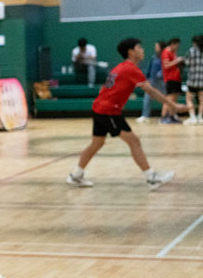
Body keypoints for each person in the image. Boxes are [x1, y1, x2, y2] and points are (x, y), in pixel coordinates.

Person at [67, 38, 187, 190]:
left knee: (97, 143)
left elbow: (103, 88)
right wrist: (172, 105)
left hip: (100, 108)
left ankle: (76, 176)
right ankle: (151, 178)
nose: (142, 50)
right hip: (108, 111)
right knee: (134, 141)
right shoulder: (131, 69)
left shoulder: (120, 67)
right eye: (139, 47)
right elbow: (151, 91)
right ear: (131, 51)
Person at [136, 40, 165, 123]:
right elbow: (150, 68)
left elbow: (164, 69)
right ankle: (145, 116)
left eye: (157, 46)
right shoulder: (153, 57)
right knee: (147, 98)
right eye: (155, 46)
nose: (155, 48)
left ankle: (167, 115)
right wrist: (147, 77)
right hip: (151, 81)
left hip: (161, 82)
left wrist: (160, 75)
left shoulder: (164, 57)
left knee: (165, 98)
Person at [160, 37, 185, 124]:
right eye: (177, 45)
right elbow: (166, 65)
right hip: (170, 78)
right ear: (172, 44)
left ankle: (172, 116)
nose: (178, 47)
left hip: (176, 78)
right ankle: (164, 117)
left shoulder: (173, 53)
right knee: (169, 99)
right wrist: (177, 60)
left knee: (174, 99)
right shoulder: (166, 52)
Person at [184, 35, 203, 125]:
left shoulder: (191, 51)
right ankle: (200, 117)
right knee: (201, 100)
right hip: (202, 80)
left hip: (192, 79)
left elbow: (187, 63)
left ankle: (193, 117)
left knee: (189, 99)